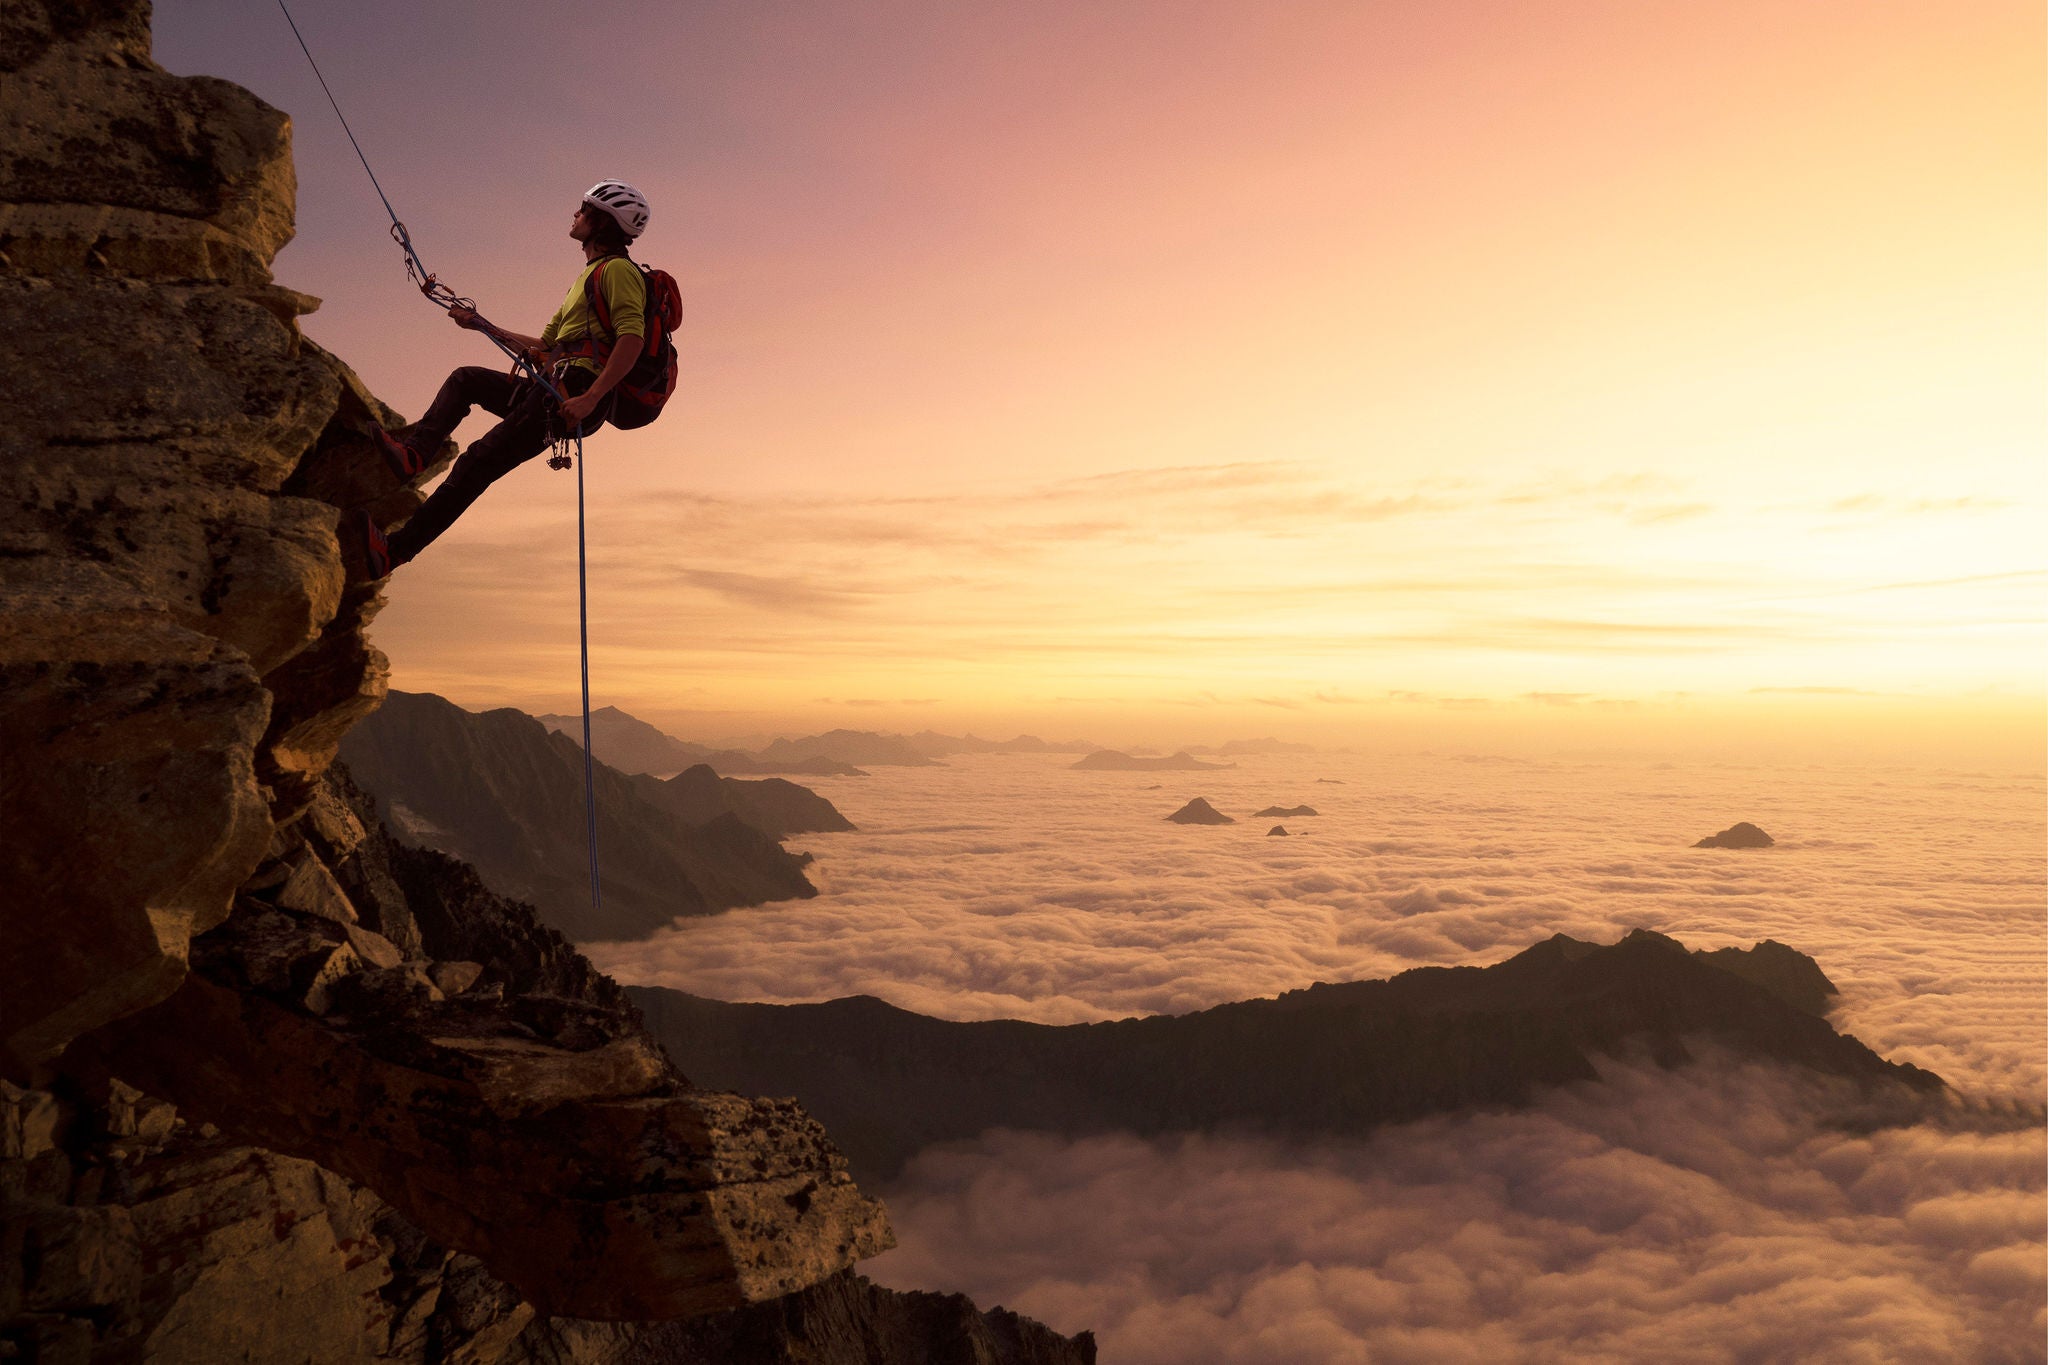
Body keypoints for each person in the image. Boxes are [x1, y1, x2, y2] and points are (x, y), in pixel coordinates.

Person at [357, 179, 652, 576]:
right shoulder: (587, 278)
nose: (575, 215)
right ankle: (414, 456)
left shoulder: (618, 272)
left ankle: (393, 552)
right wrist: (480, 325)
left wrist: (592, 398)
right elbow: (545, 347)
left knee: (476, 464)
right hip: (556, 385)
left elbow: (632, 339)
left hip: (572, 394)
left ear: (602, 223)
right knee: (466, 380)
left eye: (583, 211)